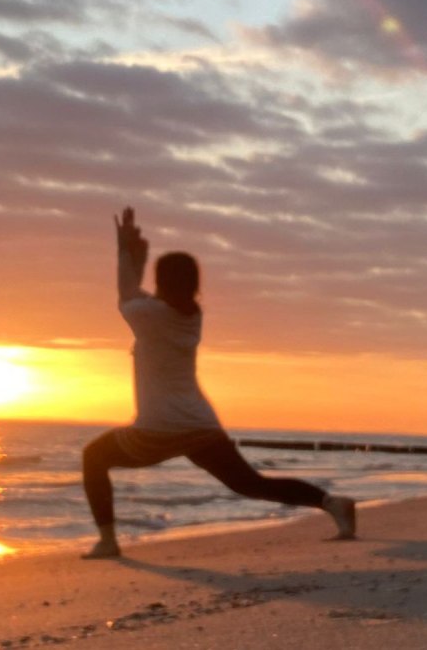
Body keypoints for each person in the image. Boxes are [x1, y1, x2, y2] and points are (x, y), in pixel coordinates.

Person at [80, 206, 357, 559]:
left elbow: (126, 294)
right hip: (199, 425)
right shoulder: (190, 316)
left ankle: (107, 541)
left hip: (158, 427)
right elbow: (136, 291)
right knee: (251, 484)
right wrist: (134, 253)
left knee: (93, 456)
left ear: (162, 283)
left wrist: (125, 250)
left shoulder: (151, 316)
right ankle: (333, 503)